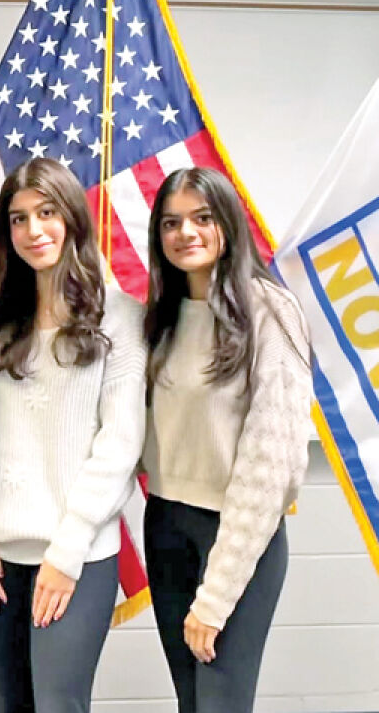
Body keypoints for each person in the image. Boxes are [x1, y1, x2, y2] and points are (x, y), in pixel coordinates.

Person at [0, 157, 146, 713]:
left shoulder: (119, 317)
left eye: (47, 213)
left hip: (77, 555)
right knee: (7, 702)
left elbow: (120, 444)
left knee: (58, 703)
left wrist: (68, 549)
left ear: (72, 217)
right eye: (19, 218)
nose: (34, 230)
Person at [142, 166, 311, 713]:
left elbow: (270, 466)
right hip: (166, 525)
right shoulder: (161, 317)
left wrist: (215, 598)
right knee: (191, 702)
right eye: (171, 223)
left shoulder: (269, 310)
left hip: (237, 533)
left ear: (228, 223)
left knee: (221, 705)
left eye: (202, 218)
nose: (185, 233)